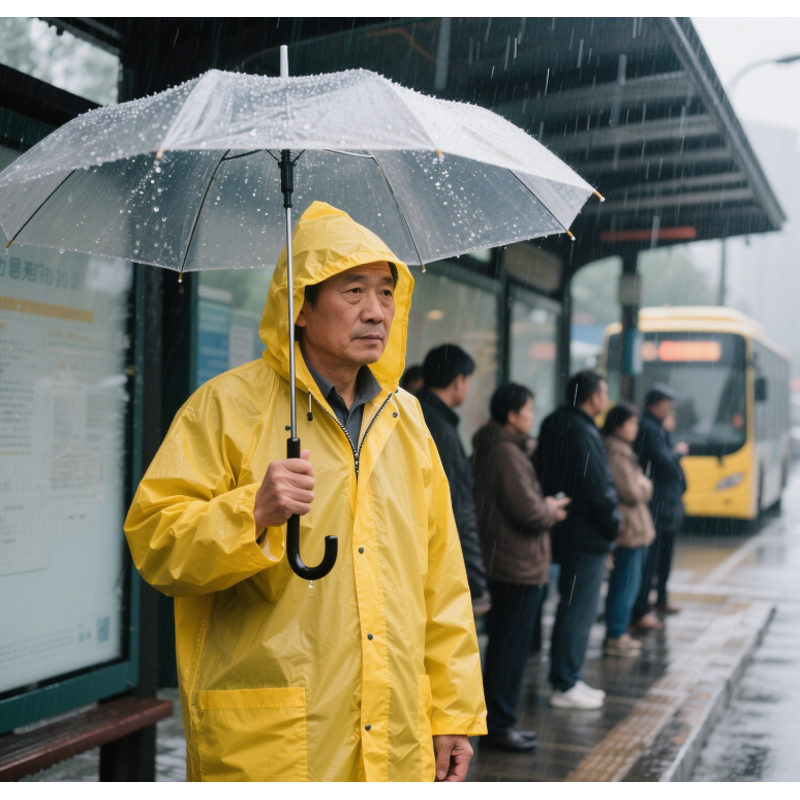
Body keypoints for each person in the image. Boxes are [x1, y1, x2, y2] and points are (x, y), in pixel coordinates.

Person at [124, 202, 487, 782]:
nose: (376, 312)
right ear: (300, 304)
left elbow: (441, 581)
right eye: (353, 291)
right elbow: (156, 546)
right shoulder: (225, 407)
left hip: (395, 741)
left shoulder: (408, 421)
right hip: (271, 746)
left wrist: (452, 712)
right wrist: (252, 512)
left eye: (386, 293)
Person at [472, 384, 569, 750]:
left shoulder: (495, 448)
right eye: (528, 410)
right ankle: (498, 726)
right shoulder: (506, 454)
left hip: (504, 558)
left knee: (504, 646)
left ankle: (499, 723)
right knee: (508, 651)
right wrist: (549, 509)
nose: (532, 416)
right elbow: (528, 511)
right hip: (517, 563)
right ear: (512, 415)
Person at [535, 371, 621, 710]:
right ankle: (566, 681)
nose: (606, 397)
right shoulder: (583, 430)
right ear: (593, 397)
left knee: (569, 608)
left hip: (564, 528)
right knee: (578, 610)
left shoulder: (554, 422)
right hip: (586, 534)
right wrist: (614, 523)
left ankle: (566, 678)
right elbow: (598, 487)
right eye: (604, 391)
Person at [417, 344, 491, 615]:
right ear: (459, 381)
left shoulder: (412, 412)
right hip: (437, 559)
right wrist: (476, 580)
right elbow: (458, 509)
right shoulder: (442, 431)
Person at [630, 384, 688, 631]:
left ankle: (658, 600)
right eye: (667, 404)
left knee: (662, 558)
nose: (670, 409)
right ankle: (642, 609)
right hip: (658, 506)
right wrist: (678, 452)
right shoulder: (650, 428)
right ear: (655, 404)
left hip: (666, 505)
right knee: (650, 561)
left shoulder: (658, 428)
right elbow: (665, 462)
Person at [602, 403, 656, 657]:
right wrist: (646, 485)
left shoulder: (621, 450)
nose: (636, 428)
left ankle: (619, 631)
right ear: (619, 424)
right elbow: (633, 491)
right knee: (625, 585)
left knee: (627, 584)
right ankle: (616, 634)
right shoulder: (616, 452)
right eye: (632, 423)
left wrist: (642, 483)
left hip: (634, 528)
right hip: (630, 531)